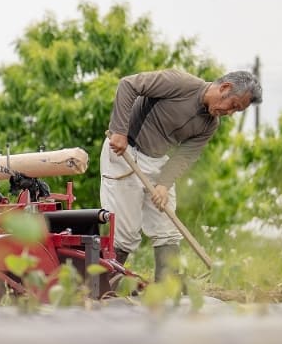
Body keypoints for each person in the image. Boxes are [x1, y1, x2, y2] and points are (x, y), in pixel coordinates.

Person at [101, 68, 261, 274]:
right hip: (125, 153)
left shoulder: (210, 124)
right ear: (225, 88)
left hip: (158, 162)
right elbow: (127, 84)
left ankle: (168, 288)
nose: (230, 113)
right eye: (233, 106)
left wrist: (164, 184)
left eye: (236, 111)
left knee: (167, 229)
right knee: (125, 233)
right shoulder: (180, 83)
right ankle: (103, 284)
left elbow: (185, 155)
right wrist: (120, 131)